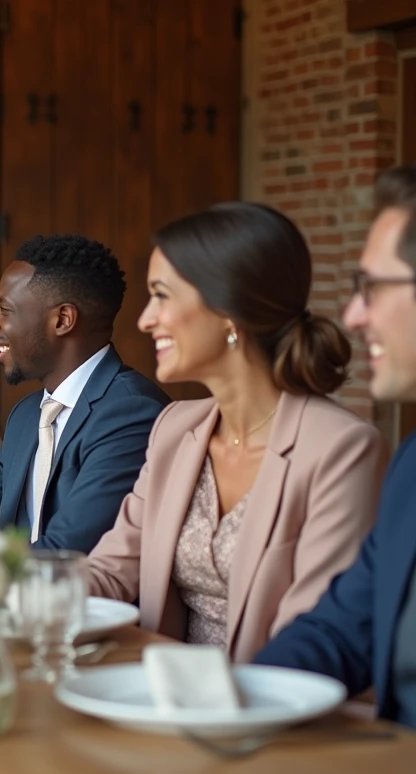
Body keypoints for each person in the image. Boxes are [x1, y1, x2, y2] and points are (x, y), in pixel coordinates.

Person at [88, 202, 388, 663]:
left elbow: (317, 629)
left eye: (162, 295)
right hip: (161, 694)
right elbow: (110, 572)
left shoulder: (341, 449)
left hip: (274, 710)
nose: (145, 319)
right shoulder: (174, 428)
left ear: (228, 310)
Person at [256, 166, 416, 721]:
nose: (352, 315)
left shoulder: (353, 445)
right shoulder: (412, 465)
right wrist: (234, 701)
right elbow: (342, 630)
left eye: (371, 287)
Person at [0, 234, 169, 551]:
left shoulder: (130, 413)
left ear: (63, 320)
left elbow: (67, 552)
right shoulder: (28, 414)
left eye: (5, 309)